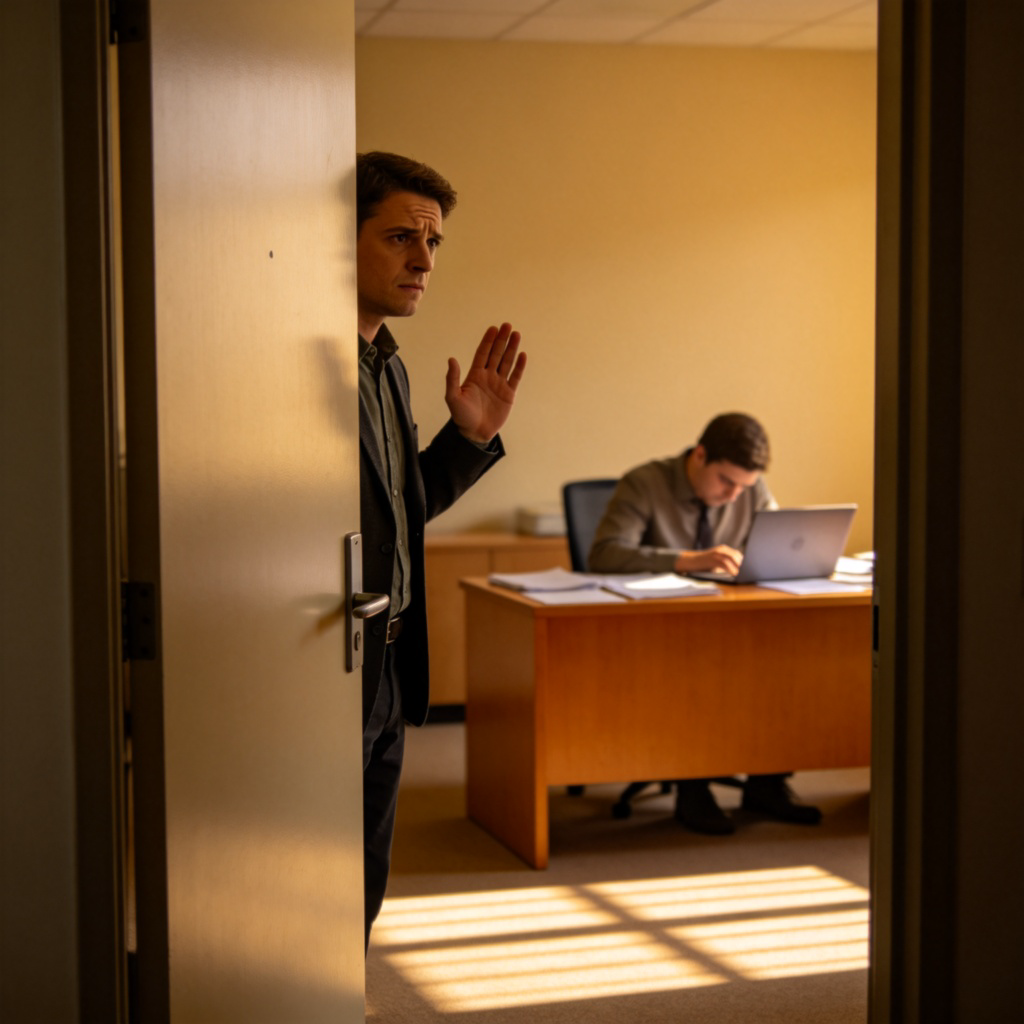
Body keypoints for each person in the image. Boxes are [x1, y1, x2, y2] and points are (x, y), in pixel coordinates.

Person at [356, 151, 526, 946]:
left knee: (362, 881)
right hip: (325, 665)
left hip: (387, 664)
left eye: (433, 243)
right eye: (400, 238)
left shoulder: (385, 365)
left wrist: (469, 437)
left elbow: (395, 512)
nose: (425, 261)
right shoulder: (292, 366)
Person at [588, 412, 822, 836]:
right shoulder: (644, 483)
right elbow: (604, 554)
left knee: (786, 662)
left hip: (730, 622)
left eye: (744, 488)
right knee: (696, 671)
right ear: (699, 456)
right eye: (726, 482)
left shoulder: (750, 490)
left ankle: (767, 785)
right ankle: (692, 789)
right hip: (655, 630)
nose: (734, 496)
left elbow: (773, 545)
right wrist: (685, 560)